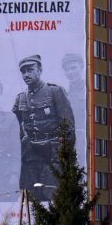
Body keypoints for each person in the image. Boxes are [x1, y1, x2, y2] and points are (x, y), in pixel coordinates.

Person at [12, 55, 74, 201]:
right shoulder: (20, 98)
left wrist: (65, 155)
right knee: (29, 196)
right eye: (23, 72)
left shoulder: (55, 92)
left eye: (30, 70)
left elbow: (68, 126)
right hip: (31, 155)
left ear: (40, 70)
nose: (26, 74)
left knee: (53, 194)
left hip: (53, 152)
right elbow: (15, 128)